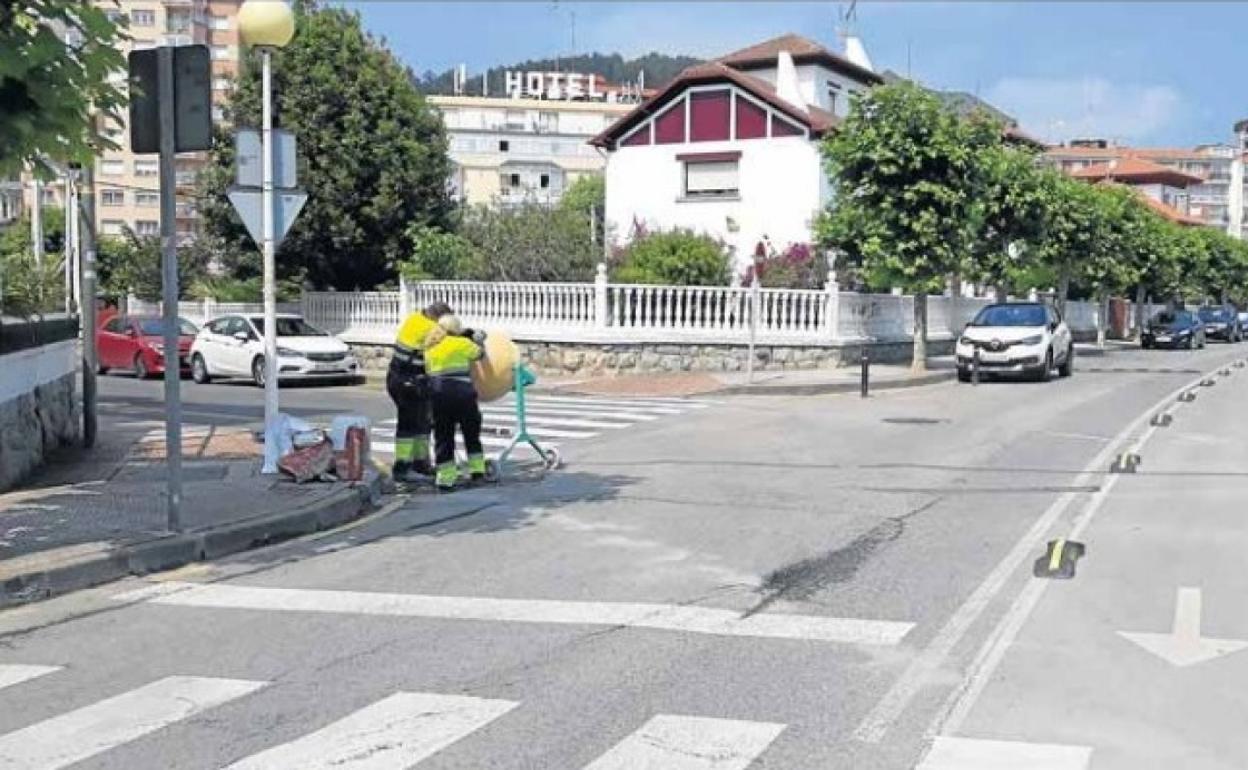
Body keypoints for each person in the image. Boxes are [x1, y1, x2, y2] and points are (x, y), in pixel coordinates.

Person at [387, 301, 452, 482]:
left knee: (422, 423)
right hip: (410, 382)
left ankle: (420, 463)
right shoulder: (432, 329)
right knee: (409, 425)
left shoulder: (414, 318)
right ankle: (402, 468)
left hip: (397, 378)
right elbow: (450, 344)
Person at [422, 314, 486, 492]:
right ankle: (477, 472)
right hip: (463, 394)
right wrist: (478, 340)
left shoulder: (430, 347)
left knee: (443, 436)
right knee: (471, 433)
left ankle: (446, 479)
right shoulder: (463, 344)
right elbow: (480, 355)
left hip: (438, 395)